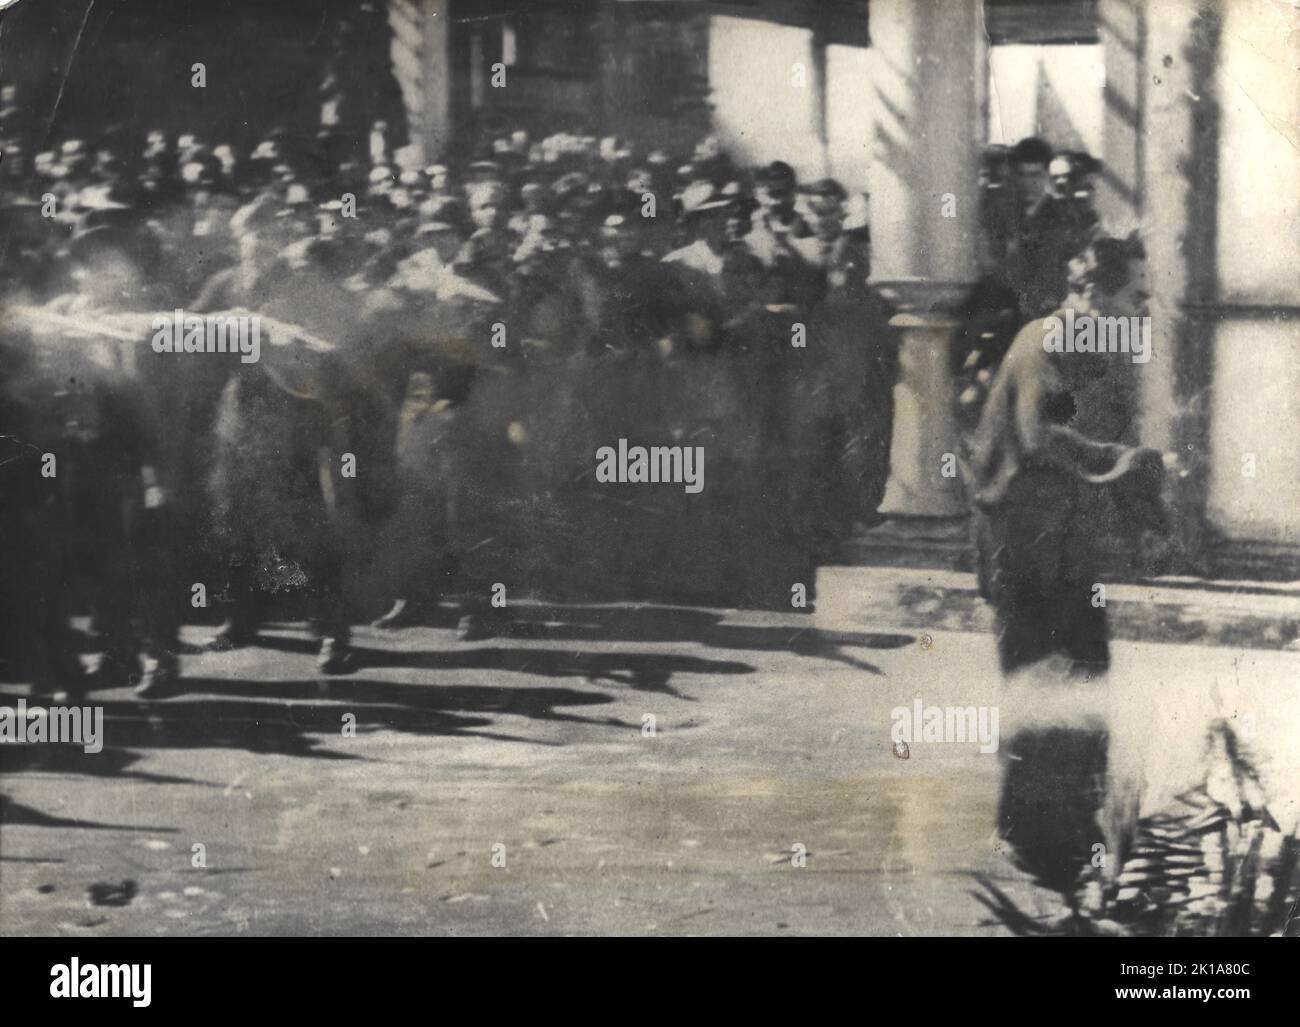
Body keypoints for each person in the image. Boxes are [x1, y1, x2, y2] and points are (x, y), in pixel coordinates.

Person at [969, 233, 1167, 678]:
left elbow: (1106, 443)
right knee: (1037, 691)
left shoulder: (1094, 350)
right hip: (1021, 542)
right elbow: (1042, 433)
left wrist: (1144, 525)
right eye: (1135, 298)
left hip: (1067, 544)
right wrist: (1125, 459)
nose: (1141, 312)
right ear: (1094, 294)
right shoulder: (1044, 340)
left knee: (1088, 676)